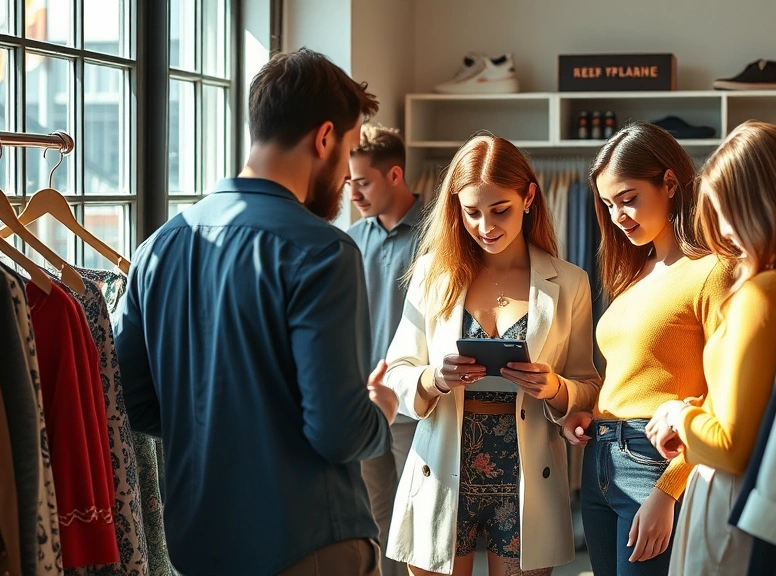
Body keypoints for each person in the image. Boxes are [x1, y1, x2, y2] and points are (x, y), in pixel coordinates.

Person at [114, 48, 398, 576]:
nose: (346, 180)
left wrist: (219, 424)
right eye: (349, 151)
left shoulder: (158, 248)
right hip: (308, 543)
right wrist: (379, 408)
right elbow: (338, 431)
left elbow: (130, 398)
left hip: (199, 546)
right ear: (324, 138)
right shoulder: (323, 251)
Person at [382, 134, 602, 576]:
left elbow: (588, 384)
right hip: (442, 466)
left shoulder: (570, 282)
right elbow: (397, 373)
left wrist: (555, 387)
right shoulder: (432, 274)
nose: (486, 226)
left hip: (527, 472)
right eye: (472, 212)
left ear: (529, 198)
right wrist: (434, 379)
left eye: (499, 210)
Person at [646, 121, 776, 574]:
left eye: (727, 212)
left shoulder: (765, 292)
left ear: (766, 205)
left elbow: (730, 446)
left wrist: (678, 415)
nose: (722, 231)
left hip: (731, 505)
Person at [562, 122, 734, 576]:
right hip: (599, 456)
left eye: (628, 198)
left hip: (655, 462)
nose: (618, 215)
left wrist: (669, 488)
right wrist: (592, 412)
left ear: (670, 182)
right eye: (608, 204)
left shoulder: (713, 271)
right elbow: (635, 371)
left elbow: (724, 394)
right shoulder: (635, 274)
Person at [347, 123, 424, 576]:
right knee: (376, 515)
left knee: (420, 517)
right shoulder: (353, 239)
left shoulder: (438, 235)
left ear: (394, 175)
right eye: (348, 183)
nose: (353, 193)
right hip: (365, 400)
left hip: (418, 402)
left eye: (363, 182)